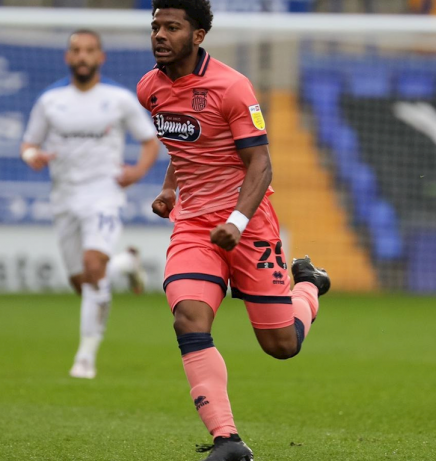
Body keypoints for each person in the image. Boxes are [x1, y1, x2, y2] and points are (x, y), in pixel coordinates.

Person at [136, 1, 331, 459]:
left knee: (281, 346)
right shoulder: (150, 88)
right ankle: (227, 441)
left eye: (171, 27)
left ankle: (308, 285)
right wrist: (169, 189)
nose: (159, 35)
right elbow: (185, 146)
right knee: (188, 316)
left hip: (248, 226)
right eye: (155, 26)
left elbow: (260, 163)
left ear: (198, 35)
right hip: (194, 228)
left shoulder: (231, 86)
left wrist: (237, 222)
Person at [21, 29, 160, 379]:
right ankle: (127, 263)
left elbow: (149, 141)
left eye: (89, 51)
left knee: (93, 267)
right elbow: (28, 144)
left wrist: (138, 171)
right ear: (68, 58)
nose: (82, 56)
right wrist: (33, 155)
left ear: (101, 57)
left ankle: (85, 357)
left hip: (104, 194)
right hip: (64, 197)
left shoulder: (118, 99)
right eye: (76, 50)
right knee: (82, 282)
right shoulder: (50, 101)